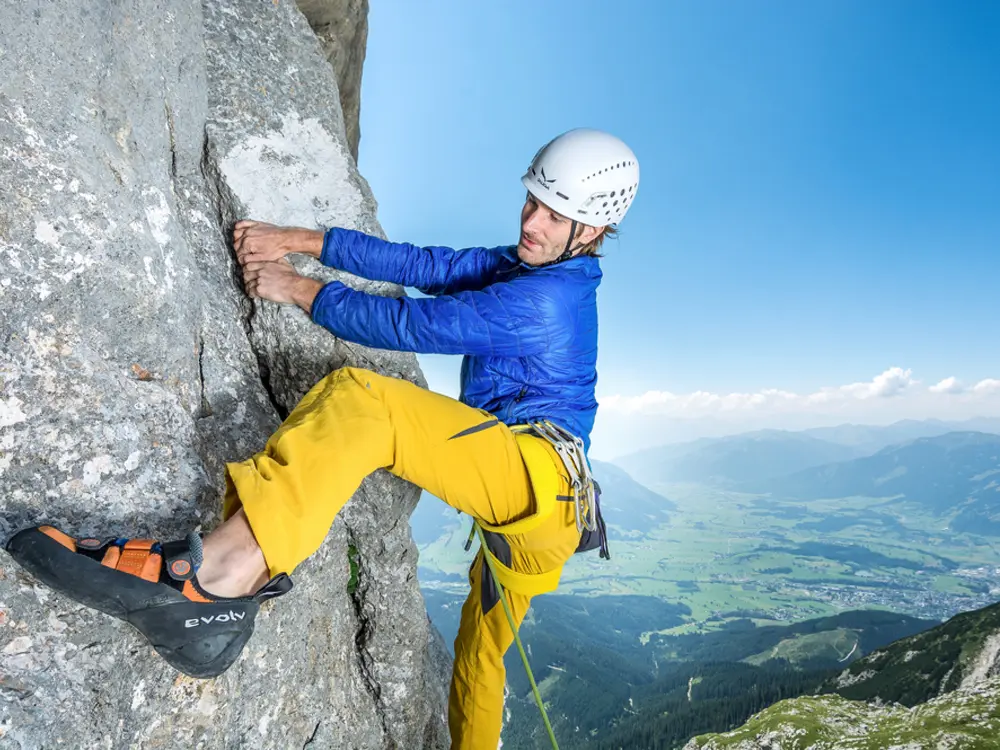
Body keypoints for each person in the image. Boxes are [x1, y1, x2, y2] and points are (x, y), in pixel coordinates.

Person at [7, 128, 639, 749]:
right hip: (540, 516)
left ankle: (219, 579)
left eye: (556, 217)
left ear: (591, 232)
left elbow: (409, 321)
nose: (533, 222)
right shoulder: (521, 266)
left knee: (362, 403)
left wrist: (295, 285)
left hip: (536, 479)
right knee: (479, 660)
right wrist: (300, 241)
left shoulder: (547, 301)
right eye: (533, 201)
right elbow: (423, 266)